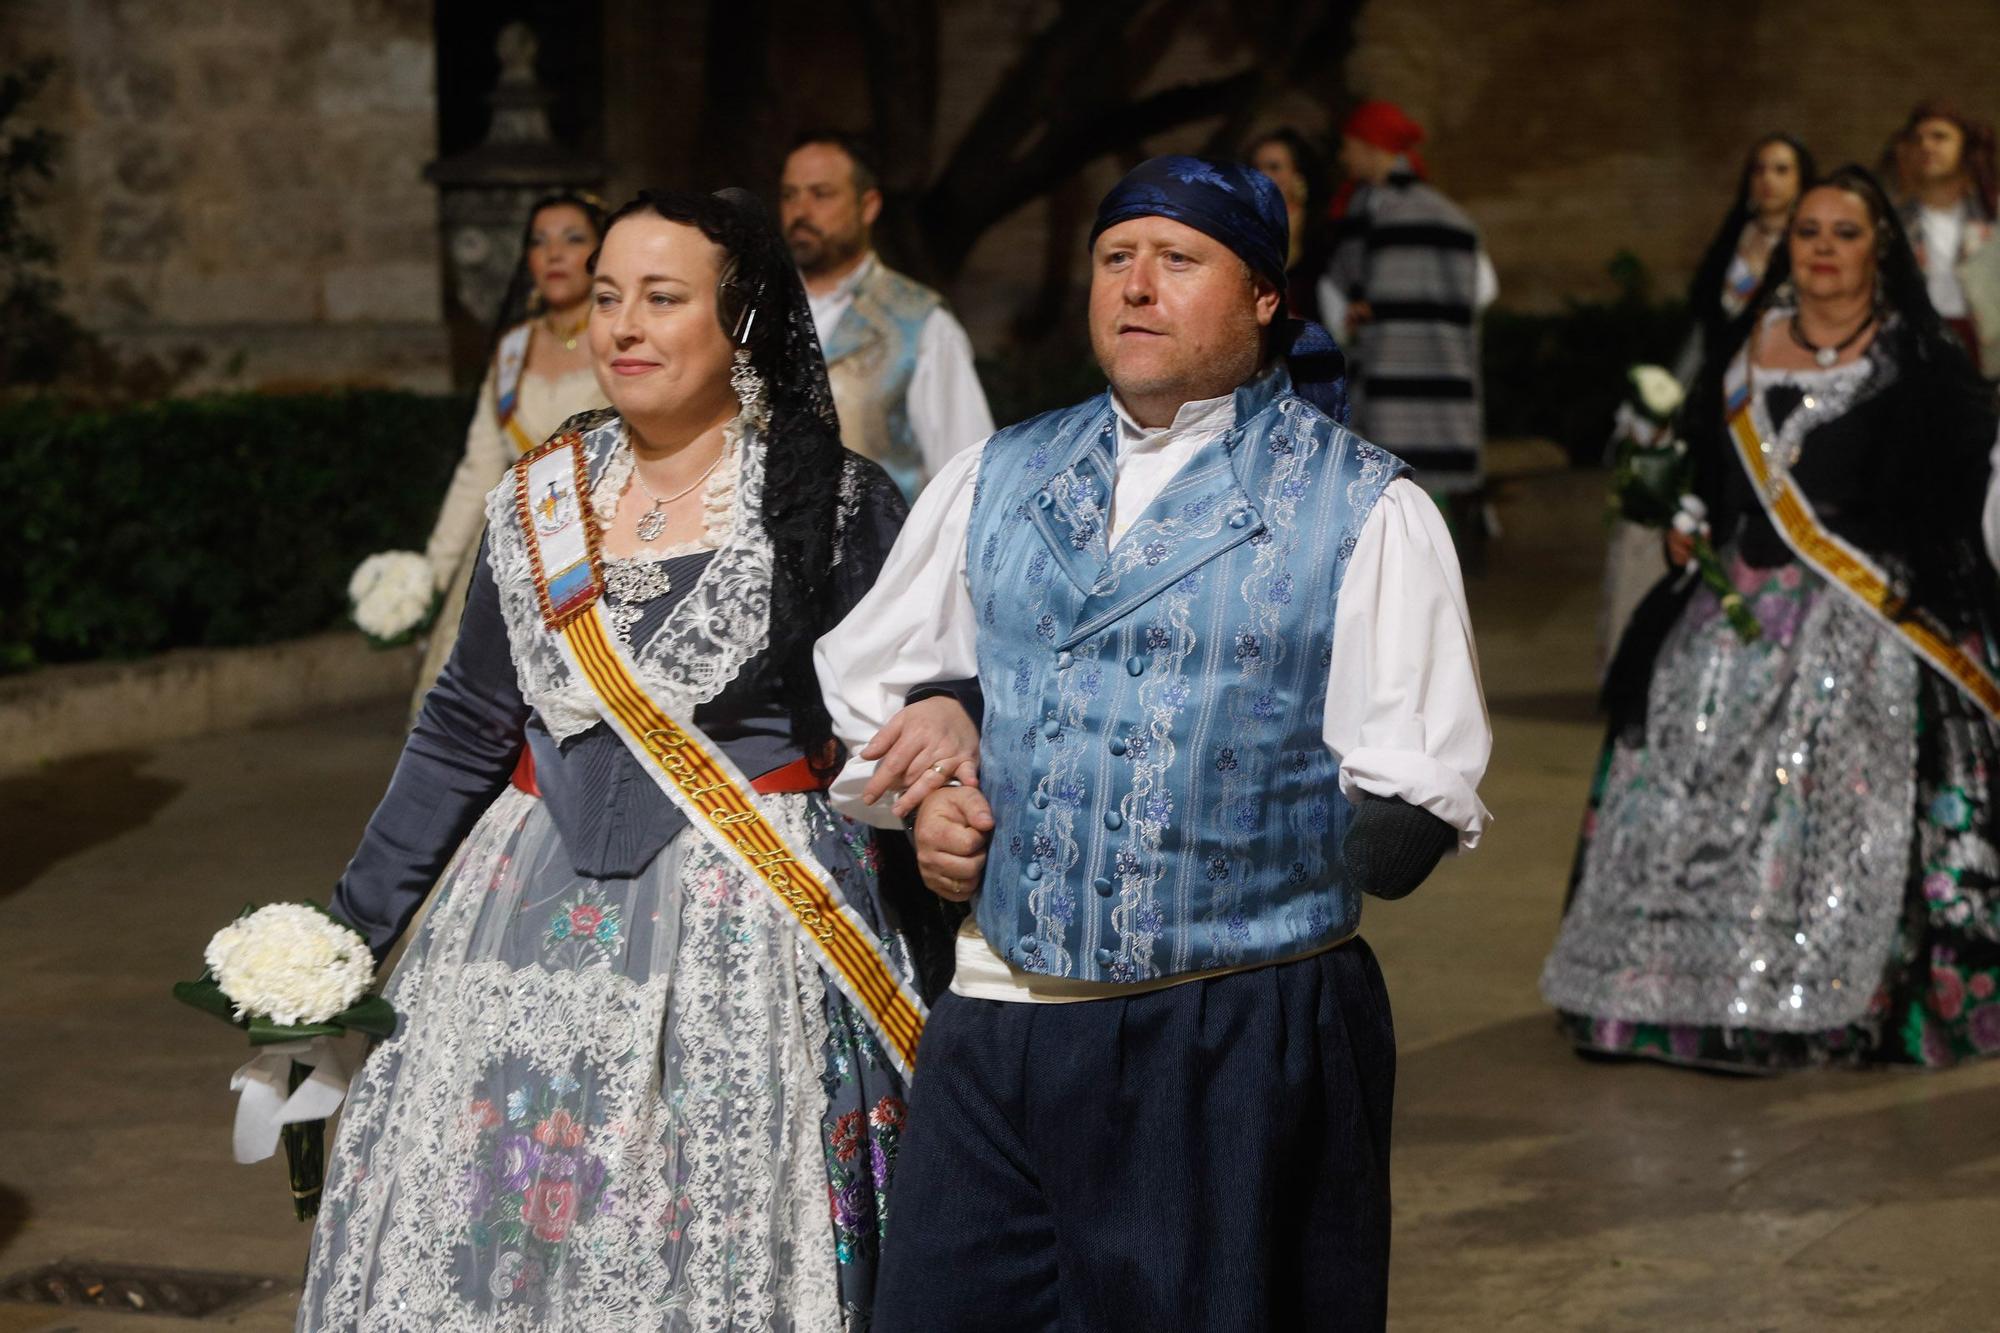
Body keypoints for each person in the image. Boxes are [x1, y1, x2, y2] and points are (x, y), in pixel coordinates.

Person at [816, 155, 1491, 1331]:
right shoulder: (1000, 472)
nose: (1135, 286)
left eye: (1177, 260)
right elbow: (877, 684)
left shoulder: (1361, 507)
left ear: (1266, 297)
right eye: (1114, 258)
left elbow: (1405, 811)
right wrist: (933, 780)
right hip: (996, 1020)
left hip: (1222, 1033)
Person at [298, 188, 977, 1328]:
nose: (622, 326)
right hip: (516, 923)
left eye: (662, 299)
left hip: (755, 929)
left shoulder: (833, 498)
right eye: (608, 297)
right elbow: (466, 725)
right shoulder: (535, 505)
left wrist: (954, 718)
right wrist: (341, 941)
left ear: (742, 320)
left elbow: (925, 687)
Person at [1544, 166, 2000, 1072]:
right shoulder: (1747, 351)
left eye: (1846, 232)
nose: (1824, 249)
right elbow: (1716, 478)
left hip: (1867, 611)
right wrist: (1688, 529)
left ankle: (1834, 997)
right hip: (1736, 600)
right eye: (1809, 232)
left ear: (1882, 249)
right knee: (1677, 717)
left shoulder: (1921, 362)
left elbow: (1953, 500)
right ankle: (1657, 995)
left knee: (1841, 747)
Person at [1602, 135, 1817, 669]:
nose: (1768, 179)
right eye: (1760, 169)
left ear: (1802, 181)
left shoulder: (1810, 248)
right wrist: (1661, 407)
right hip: (1713, 410)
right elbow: (1703, 331)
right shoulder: (1734, 241)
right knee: (1691, 528)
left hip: (1776, 408)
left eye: (1782, 169)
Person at [409, 192, 612, 713]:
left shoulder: (619, 338)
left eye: (573, 239)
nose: (555, 255)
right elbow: (479, 465)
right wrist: (432, 574)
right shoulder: (513, 349)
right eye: (540, 242)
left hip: (597, 546)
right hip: (508, 552)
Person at [779, 130, 994, 499]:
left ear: (868, 206)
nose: (801, 212)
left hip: (881, 552)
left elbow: (968, 474)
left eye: (821, 194)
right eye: (789, 195)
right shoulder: (757, 311)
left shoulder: (920, 322)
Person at [1321, 100, 1495, 554]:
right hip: (1423, 382)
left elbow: (1481, 287)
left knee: (1399, 506)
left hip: (1399, 381)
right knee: (1407, 505)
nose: (1343, 157)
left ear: (1369, 146)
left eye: (1348, 146)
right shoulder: (1409, 210)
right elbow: (1482, 289)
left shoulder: (1393, 211)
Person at [1885, 101, 1997, 369]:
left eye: (1940, 137)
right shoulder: (1891, 221)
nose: (1926, 146)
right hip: (1913, 350)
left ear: (1965, 148)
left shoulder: (1992, 216)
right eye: (1918, 139)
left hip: (1986, 351)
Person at [1246, 126, 1334, 324]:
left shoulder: (1321, 228)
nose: (1262, 176)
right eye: (1256, 167)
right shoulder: (1244, 228)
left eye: (1274, 167)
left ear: (1298, 174)